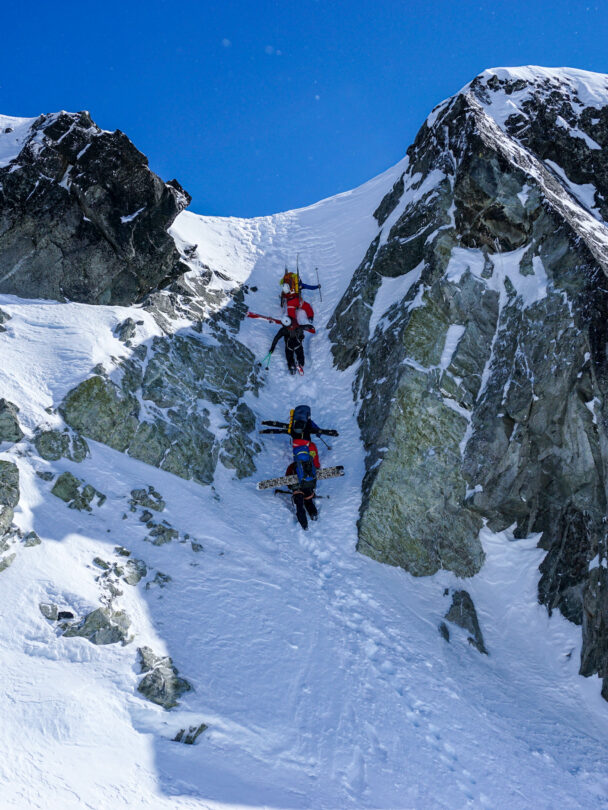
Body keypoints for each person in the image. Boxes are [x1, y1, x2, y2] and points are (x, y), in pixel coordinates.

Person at [286, 438, 321, 529]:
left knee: (300, 506)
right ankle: (314, 514)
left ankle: (304, 525)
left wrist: (292, 488)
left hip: (298, 490)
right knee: (309, 501)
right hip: (309, 488)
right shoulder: (310, 463)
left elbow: (288, 482)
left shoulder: (292, 467)